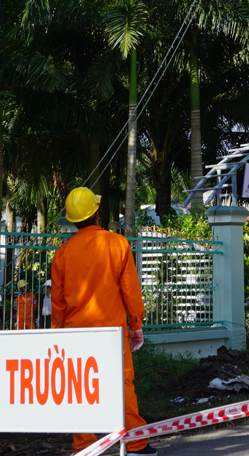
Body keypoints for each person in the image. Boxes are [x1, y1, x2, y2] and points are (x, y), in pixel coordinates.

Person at [51, 188, 151, 453]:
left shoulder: (62, 254)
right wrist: (136, 325)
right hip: (112, 333)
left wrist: (57, 333)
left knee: (79, 388)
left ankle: (84, 447)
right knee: (123, 386)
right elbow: (131, 290)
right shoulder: (117, 244)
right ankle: (137, 445)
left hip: (75, 335)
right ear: (96, 214)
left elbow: (58, 303)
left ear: (74, 220)